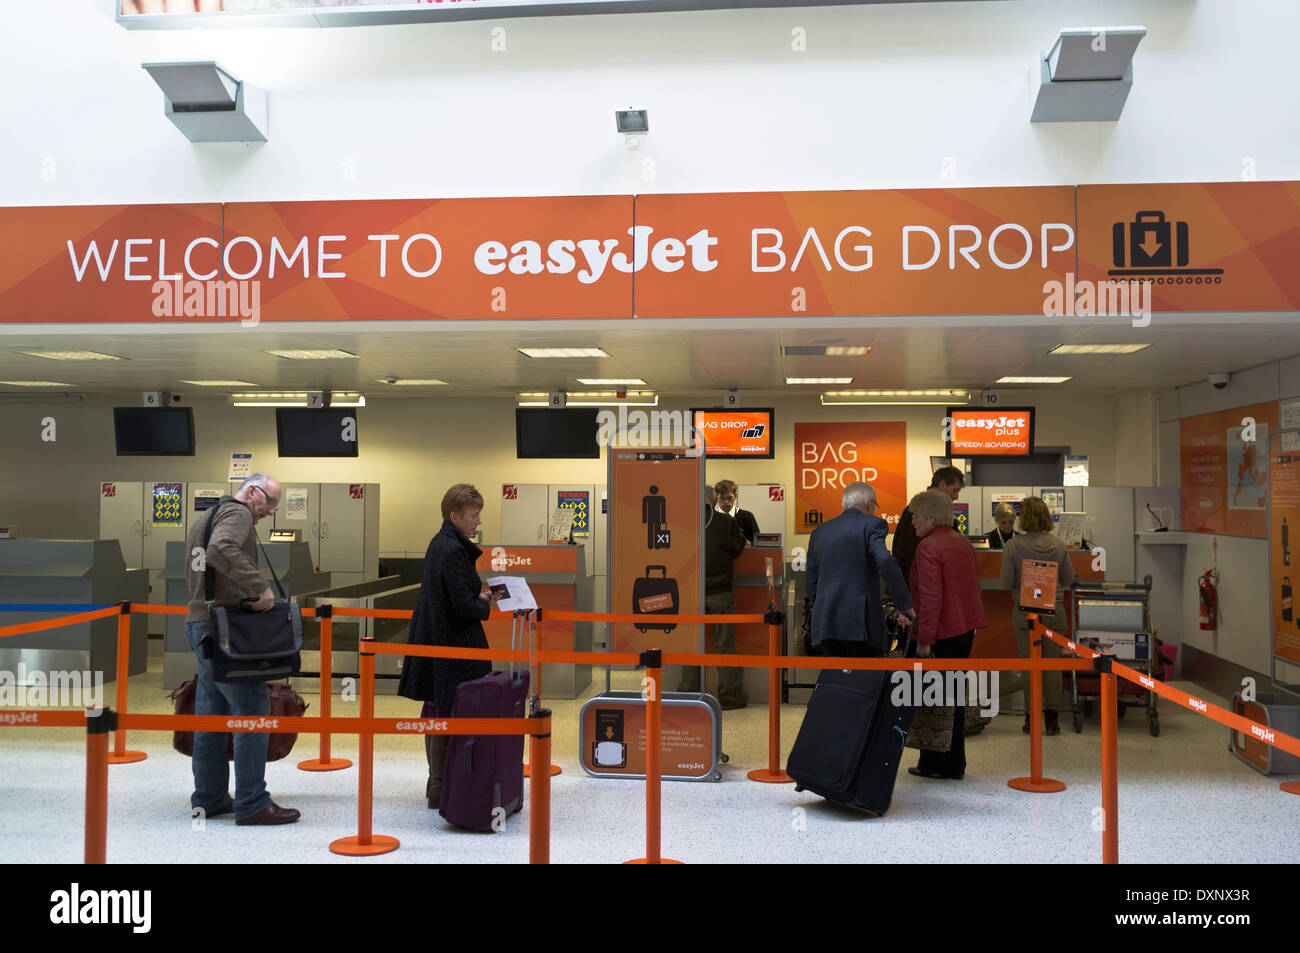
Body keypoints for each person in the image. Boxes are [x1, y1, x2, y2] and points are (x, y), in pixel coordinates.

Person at [183, 472, 299, 825]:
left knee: (211, 713)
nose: (270, 512)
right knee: (251, 707)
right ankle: (252, 802)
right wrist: (259, 587)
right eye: (269, 503)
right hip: (224, 629)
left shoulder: (207, 515)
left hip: (201, 623)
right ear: (252, 491)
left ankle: (210, 796)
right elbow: (221, 549)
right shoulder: (237, 513)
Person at [398, 484, 503, 808]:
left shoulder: (441, 543)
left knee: (437, 708)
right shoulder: (453, 550)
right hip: (451, 644)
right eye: (473, 516)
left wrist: (479, 596)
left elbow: (451, 595)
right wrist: (484, 604)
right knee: (448, 710)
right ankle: (442, 788)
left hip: (436, 638)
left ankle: (438, 785)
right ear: (454, 515)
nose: (478, 521)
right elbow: (461, 606)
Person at [904, 490, 988, 780]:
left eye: (916, 515)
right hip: (964, 629)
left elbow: (931, 598)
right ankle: (954, 764)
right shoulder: (961, 542)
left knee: (932, 699)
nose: (912, 520)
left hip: (940, 632)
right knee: (953, 698)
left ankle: (933, 764)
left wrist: (924, 641)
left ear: (931, 517)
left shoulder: (928, 547)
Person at [807, 482, 914, 657]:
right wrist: (904, 604)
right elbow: (886, 561)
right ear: (869, 503)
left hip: (825, 625)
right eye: (876, 506)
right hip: (860, 625)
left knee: (836, 680)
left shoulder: (819, 532)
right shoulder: (873, 524)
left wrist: (822, 609)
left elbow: (812, 584)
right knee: (865, 681)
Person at [1000, 496, 1075, 735]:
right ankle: (1052, 718)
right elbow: (1068, 580)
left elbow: (1005, 582)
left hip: (1025, 613)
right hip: (1054, 611)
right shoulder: (1059, 545)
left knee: (1029, 665)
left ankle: (1031, 718)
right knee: (1051, 666)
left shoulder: (1013, 546)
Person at [679, 485, 748, 707]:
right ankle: (728, 695)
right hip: (719, 593)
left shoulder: (683, 523)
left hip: (690, 594)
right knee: (724, 646)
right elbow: (737, 549)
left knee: (690, 646)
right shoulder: (725, 522)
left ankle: (688, 692)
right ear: (713, 500)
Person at [892, 465, 964, 581]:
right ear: (942, 485)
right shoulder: (926, 510)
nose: (956, 496)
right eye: (955, 490)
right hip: (923, 581)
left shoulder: (915, 508)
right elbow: (910, 551)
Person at [714, 479, 760, 544]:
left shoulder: (747, 517)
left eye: (729, 498)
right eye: (722, 498)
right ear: (716, 498)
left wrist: (748, 544)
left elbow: (758, 544)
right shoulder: (711, 518)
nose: (726, 502)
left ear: (735, 496)